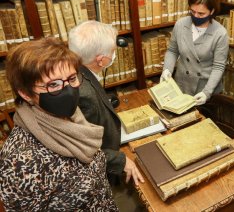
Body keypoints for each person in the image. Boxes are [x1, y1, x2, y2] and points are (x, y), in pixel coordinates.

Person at [0, 38, 117, 211]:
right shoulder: (20, 162)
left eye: (71, 79)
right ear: (25, 94)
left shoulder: (74, 117)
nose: (68, 90)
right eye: (53, 84)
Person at [68, 21, 144, 210]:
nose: (114, 54)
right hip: (102, 177)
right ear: (101, 60)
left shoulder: (77, 72)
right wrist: (119, 160)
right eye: (112, 51)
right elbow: (82, 148)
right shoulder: (84, 93)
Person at [161, 0, 229, 106]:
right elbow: (172, 50)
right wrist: (167, 69)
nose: (196, 16)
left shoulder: (220, 33)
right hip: (181, 85)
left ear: (212, 11)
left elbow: (218, 67)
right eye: (192, 11)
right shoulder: (181, 24)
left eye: (201, 13)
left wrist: (206, 93)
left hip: (205, 88)